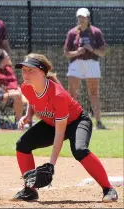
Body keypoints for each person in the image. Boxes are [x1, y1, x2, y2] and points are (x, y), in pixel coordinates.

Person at [11, 53, 118, 202]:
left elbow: (60, 133)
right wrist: (28, 116)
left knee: (79, 150)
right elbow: (32, 100)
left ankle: (109, 189)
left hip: (76, 122)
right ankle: (30, 191)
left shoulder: (58, 95)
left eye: (31, 70)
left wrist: (51, 165)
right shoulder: (26, 87)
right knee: (22, 145)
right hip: (52, 123)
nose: (26, 74)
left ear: (42, 72)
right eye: (24, 70)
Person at [64, 8, 107, 129]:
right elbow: (66, 53)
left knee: (93, 93)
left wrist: (92, 49)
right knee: (72, 93)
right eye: (79, 17)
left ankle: (98, 122)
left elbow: (103, 52)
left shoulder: (96, 32)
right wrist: (77, 52)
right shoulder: (72, 33)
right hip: (76, 63)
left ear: (88, 18)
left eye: (83, 17)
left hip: (92, 63)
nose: (81, 20)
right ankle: (71, 120)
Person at [0, 49, 27, 123]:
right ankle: (18, 122)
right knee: (17, 95)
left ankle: (29, 121)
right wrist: (0, 89)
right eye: (7, 56)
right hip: (0, 96)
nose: (8, 57)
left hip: (14, 94)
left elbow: (15, 84)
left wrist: (19, 89)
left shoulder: (9, 69)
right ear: (1, 59)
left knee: (32, 98)